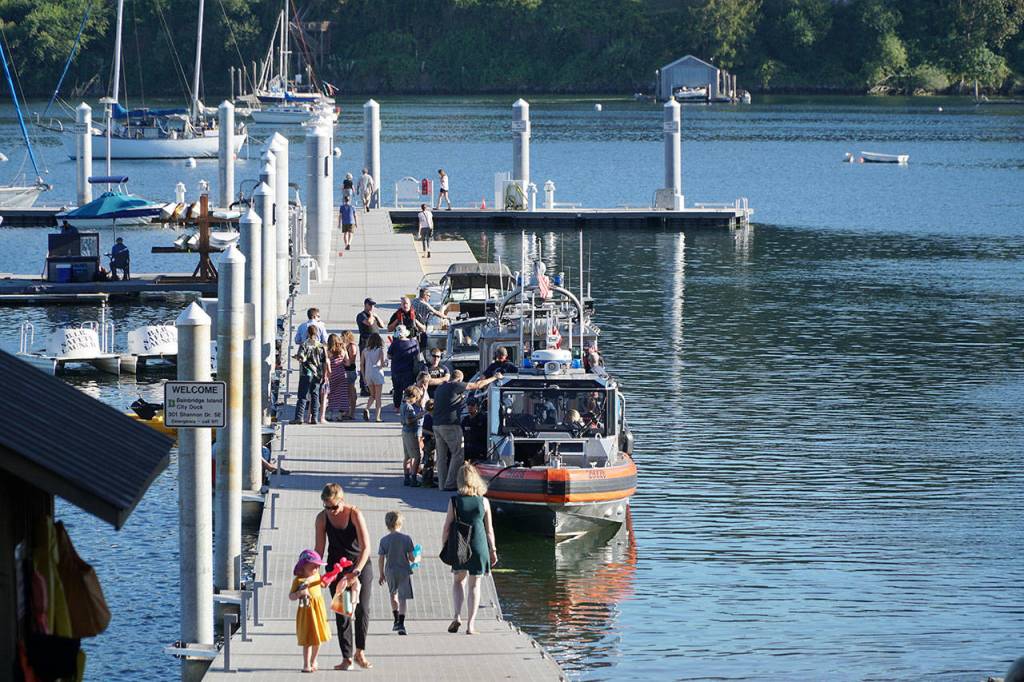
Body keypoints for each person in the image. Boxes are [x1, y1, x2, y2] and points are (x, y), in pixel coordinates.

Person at [314, 484, 374, 671]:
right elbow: (319, 550)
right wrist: (314, 574)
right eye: (326, 506)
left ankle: (360, 652)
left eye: (333, 506)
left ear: (342, 500)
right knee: (343, 613)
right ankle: (347, 657)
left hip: (359, 565)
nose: (330, 510)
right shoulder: (322, 518)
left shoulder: (354, 514)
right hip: (337, 568)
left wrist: (355, 572)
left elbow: (366, 548)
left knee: (362, 609)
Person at [442, 463, 497, 635]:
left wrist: (444, 544)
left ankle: (457, 615)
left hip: (460, 545)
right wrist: (493, 550)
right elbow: (489, 530)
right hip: (479, 545)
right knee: (475, 585)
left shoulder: (454, 501)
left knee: (458, 581)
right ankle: (470, 625)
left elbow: (446, 527)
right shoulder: (484, 502)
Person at [432, 370, 502, 490]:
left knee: (442, 457)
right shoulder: (456, 385)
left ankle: (442, 485)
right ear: (459, 379)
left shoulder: (440, 388)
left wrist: (460, 398)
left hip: (437, 425)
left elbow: (447, 403)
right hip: (450, 425)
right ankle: (450, 484)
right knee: (458, 454)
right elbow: (478, 385)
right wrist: (494, 377)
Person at [289, 549, 333, 673]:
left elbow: (324, 584)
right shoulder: (298, 581)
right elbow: (291, 596)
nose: (316, 569)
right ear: (303, 567)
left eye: (317, 567)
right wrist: (299, 593)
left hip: (318, 610)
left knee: (317, 638)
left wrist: (331, 577)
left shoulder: (317, 577)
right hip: (306, 613)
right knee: (308, 639)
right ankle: (306, 664)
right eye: (313, 566)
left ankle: (314, 660)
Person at [377, 511, 416, 636]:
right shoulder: (406, 539)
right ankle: (401, 623)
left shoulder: (384, 540)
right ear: (400, 523)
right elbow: (411, 558)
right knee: (403, 597)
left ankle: (395, 619)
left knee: (393, 594)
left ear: (387, 524)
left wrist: (381, 573)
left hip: (390, 571)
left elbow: (381, 558)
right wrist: (417, 557)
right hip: (404, 570)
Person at [291, 325, 328, 425]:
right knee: (315, 395)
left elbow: (302, 358)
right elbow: (324, 361)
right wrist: (325, 375)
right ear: (316, 334)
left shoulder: (304, 344)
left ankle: (299, 417)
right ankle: (314, 418)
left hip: (306, 373)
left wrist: (296, 357)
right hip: (317, 373)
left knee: (302, 395)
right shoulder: (320, 346)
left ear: (308, 333)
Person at [356, 299, 385, 396]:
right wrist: (372, 315)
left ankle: (374, 384)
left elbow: (382, 325)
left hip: (376, 343)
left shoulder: (374, 316)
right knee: (365, 365)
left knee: (375, 364)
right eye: (370, 305)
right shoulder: (361, 316)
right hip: (366, 343)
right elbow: (369, 323)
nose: (372, 307)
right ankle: (364, 387)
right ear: (365, 305)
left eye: (373, 305)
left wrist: (376, 316)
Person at [388, 326, 420, 411]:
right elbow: (417, 356)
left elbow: (389, 355)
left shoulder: (395, 343)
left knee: (397, 390)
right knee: (409, 389)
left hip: (396, 370)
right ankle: (410, 406)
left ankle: (397, 407)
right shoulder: (413, 342)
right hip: (409, 370)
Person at [399, 386, 424, 486]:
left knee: (407, 456)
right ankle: (413, 478)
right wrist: (419, 415)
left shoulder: (402, 404)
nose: (416, 400)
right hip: (411, 432)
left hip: (404, 431)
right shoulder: (409, 407)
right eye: (416, 398)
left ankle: (406, 477)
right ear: (412, 396)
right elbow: (409, 420)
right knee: (417, 456)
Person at [361, 333, 386, 422]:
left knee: (372, 395)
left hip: (368, 373)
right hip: (377, 373)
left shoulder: (364, 351)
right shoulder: (380, 350)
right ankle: (377, 417)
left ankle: (367, 408)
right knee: (378, 397)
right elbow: (382, 364)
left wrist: (363, 376)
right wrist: (386, 363)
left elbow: (361, 364)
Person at [325, 334, 350, 422]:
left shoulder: (328, 352)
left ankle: (329, 413)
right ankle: (339, 415)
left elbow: (325, 363)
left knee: (330, 395)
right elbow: (347, 363)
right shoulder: (342, 351)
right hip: (341, 374)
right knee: (342, 395)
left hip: (331, 375)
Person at [461, 397, 488, 463]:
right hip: (467, 450)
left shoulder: (483, 419)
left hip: (478, 450)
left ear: (477, 406)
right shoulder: (465, 420)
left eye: (472, 405)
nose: (470, 406)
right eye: (468, 404)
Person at [341, 331, 360, 420]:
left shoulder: (351, 346)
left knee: (351, 392)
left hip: (350, 371)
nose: (341, 338)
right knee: (348, 392)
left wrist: (343, 360)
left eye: (343, 336)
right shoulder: (346, 345)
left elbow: (351, 361)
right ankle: (348, 411)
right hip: (347, 370)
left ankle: (351, 412)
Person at [421, 399, 437, 488]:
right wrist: (433, 434)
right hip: (428, 441)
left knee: (430, 461)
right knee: (428, 461)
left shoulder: (433, 416)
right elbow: (424, 429)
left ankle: (429, 479)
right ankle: (426, 481)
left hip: (432, 440)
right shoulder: (428, 417)